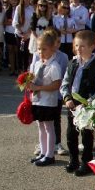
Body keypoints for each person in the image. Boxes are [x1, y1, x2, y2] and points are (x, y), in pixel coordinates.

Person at [60, 30, 95, 175]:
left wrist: (89, 103)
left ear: (92, 46)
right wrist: (67, 98)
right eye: (77, 45)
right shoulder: (72, 63)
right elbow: (65, 83)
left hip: (87, 107)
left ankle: (86, 163)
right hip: (72, 105)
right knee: (71, 134)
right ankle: (73, 160)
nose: (79, 49)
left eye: (82, 46)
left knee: (87, 136)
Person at [28, 33, 62, 166]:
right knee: (40, 126)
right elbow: (33, 79)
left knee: (49, 127)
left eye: (44, 49)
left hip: (48, 102)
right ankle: (43, 152)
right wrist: (29, 84)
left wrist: (39, 87)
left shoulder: (54, 66)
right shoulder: (37, 64)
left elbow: (56, 84)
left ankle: (49, 155)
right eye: (39, 49)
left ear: (52, 49)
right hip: (37, 100)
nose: (41, 52)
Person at [12, 0, 34, 72]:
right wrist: (22, 33)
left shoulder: (32, 9)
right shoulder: (19, 8)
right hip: (20, 34)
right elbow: (15, 22)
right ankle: (19, 70)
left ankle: (25, 70)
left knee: (27, 53)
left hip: (28, 34)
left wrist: (27, 33)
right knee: (19, 52)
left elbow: (33, 22)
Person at [4, 0, 19, 75]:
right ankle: (12, 70)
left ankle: (17, 69)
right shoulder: (7, 10)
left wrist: (13, 21)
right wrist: (10, 22)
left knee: (17, 51)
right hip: (8, 32)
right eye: (11, 0)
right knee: (10, 51)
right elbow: (5, 22)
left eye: (14, 0)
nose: (13, 2)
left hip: (17, 32)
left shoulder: (20, 9)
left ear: (17, 0)